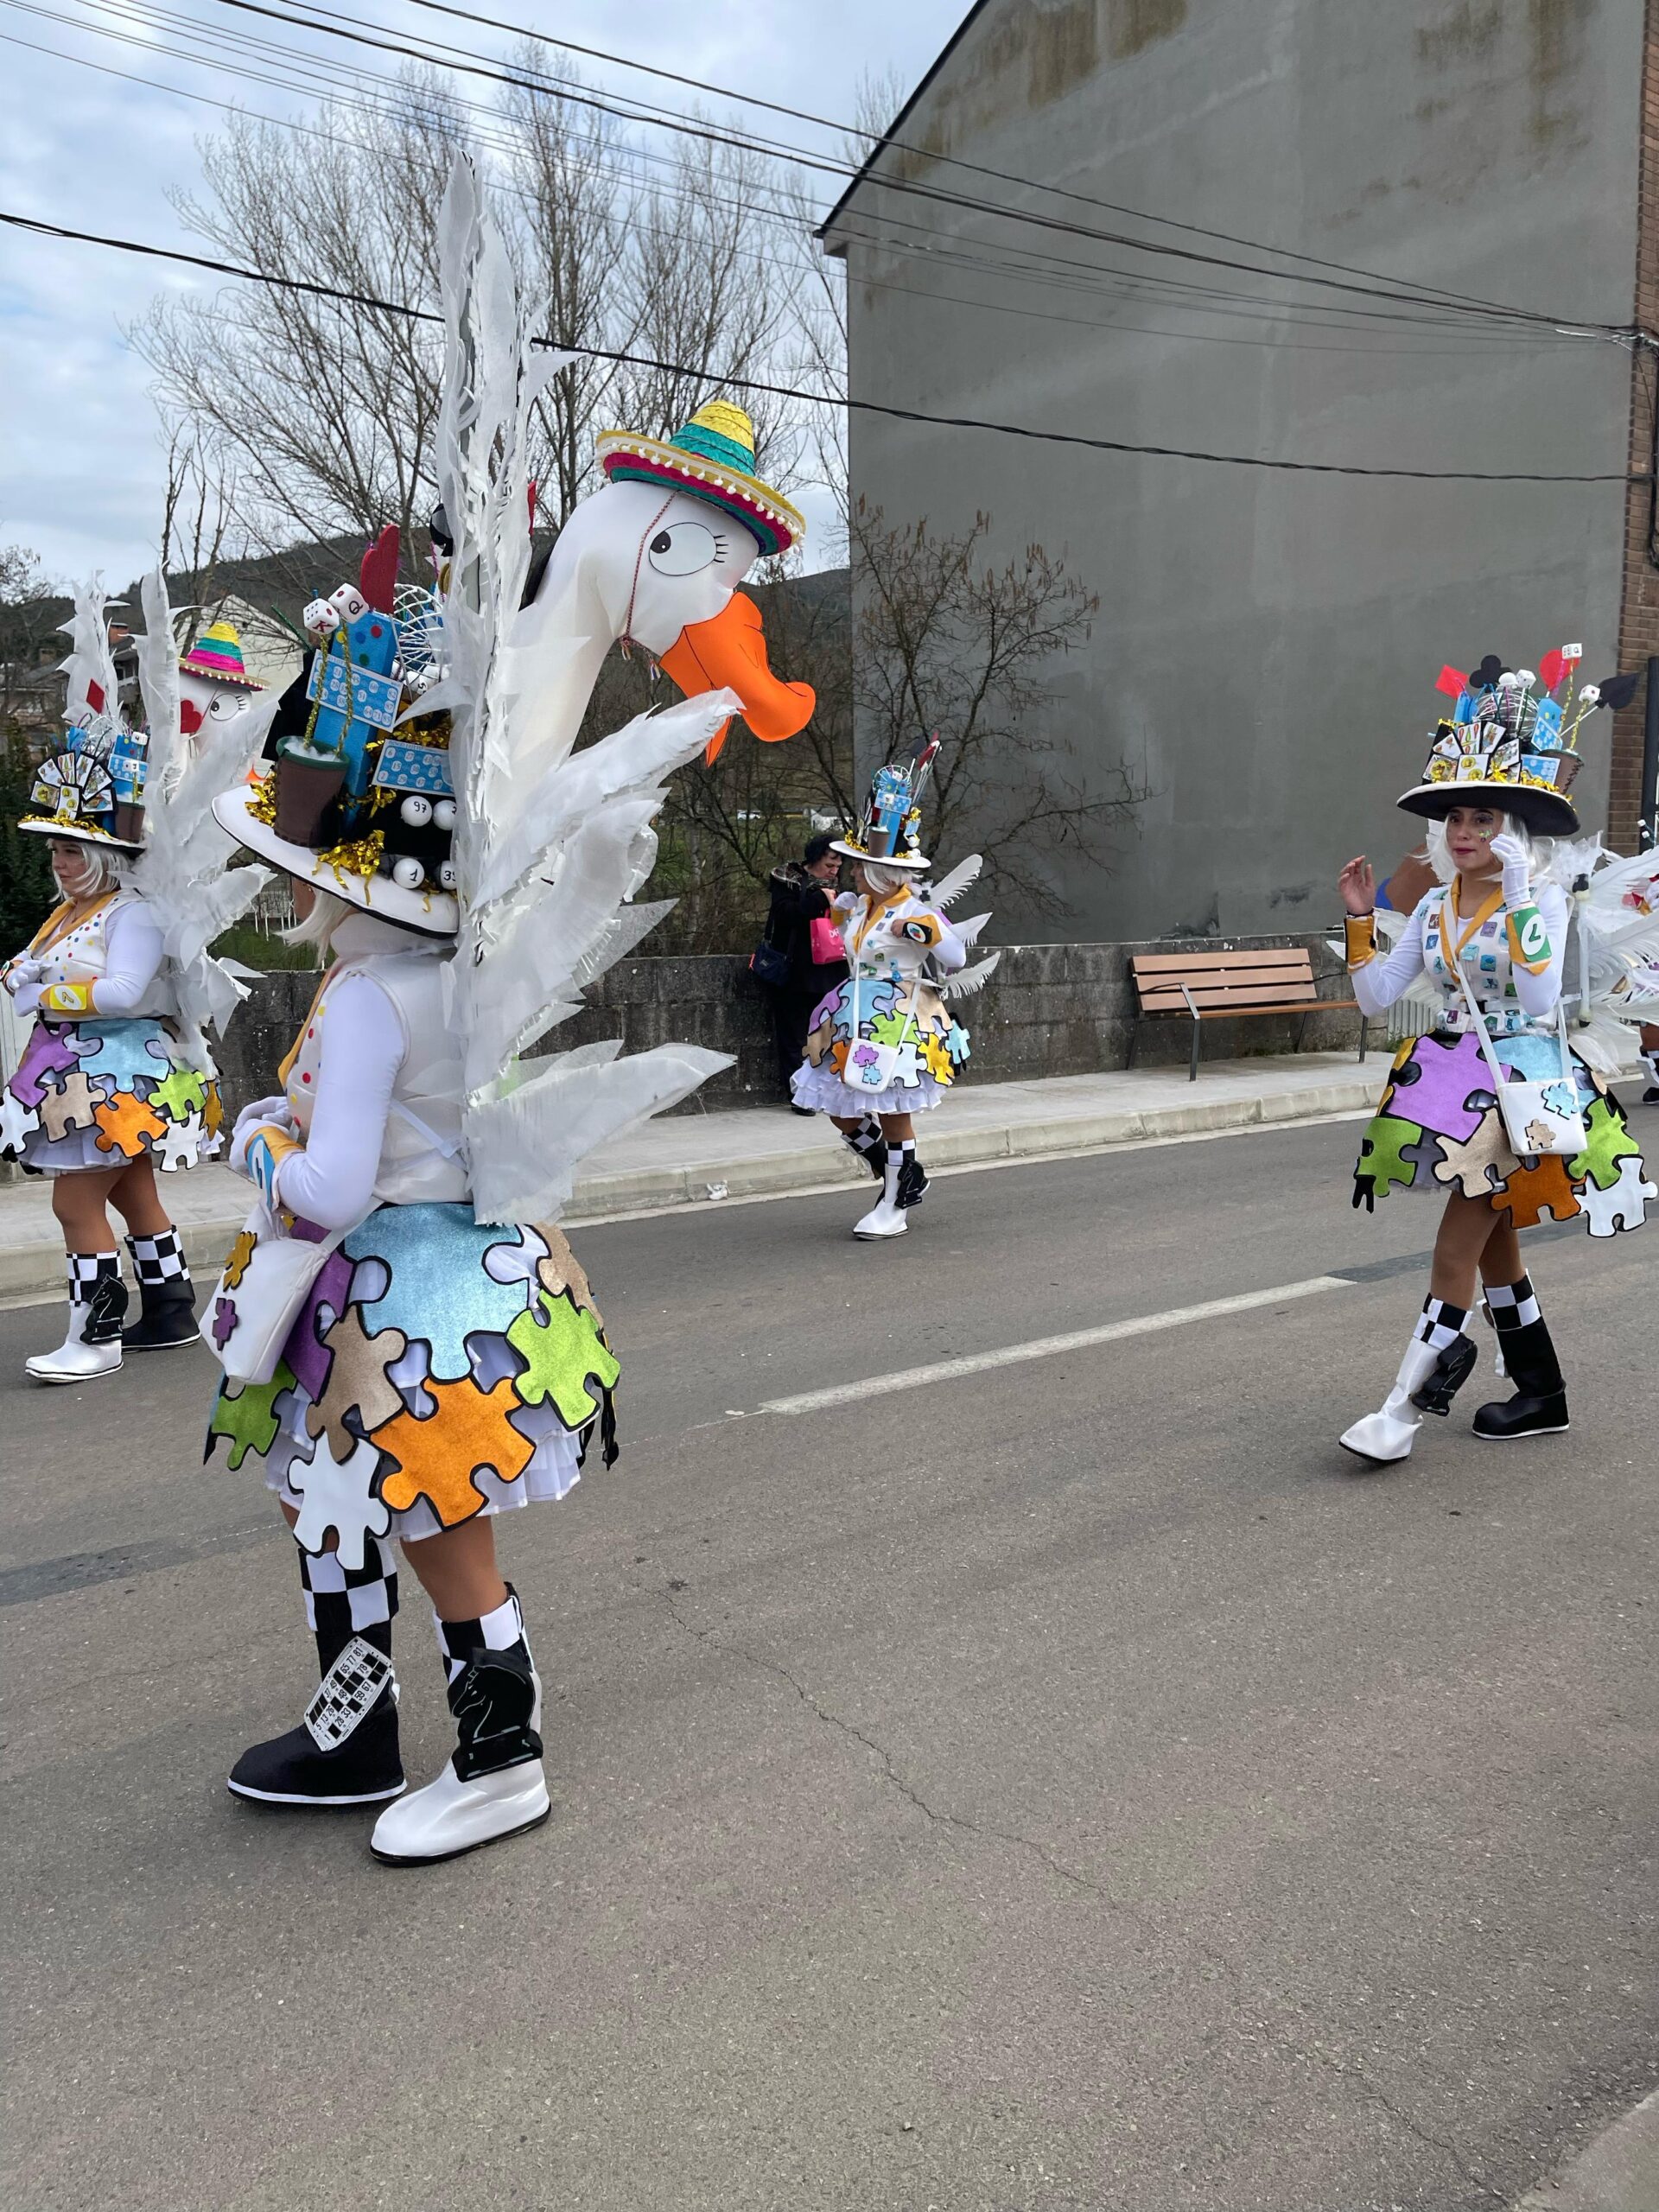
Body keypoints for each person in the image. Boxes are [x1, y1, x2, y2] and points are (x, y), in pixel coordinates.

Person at [201, 157, 808, 1865]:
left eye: (304, 866)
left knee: (430, 1515)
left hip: (401, 1271)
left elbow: (324, 1179)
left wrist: (257, 1135)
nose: (290, 888)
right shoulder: (390, 977)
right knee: (341, 1498)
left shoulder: (385, 998)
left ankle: (503, 1744)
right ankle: (351, 1725)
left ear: (363, 885)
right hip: (404, 1269)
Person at [1337, 648, 1651, 1465]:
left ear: (1512, 829)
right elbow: (1378, 997)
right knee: (1498, 1249)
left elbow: (1544, 1002)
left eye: (1484, 819)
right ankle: (1542, 1392)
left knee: (1455, 1247)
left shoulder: (1538, 895)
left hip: (1521, 1083)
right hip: (1454, 1078)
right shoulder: (1439, 901)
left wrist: (1516, 898)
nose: (1466, 833)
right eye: (1456, 819)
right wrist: (1362, 919)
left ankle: (1401, 1408)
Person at [0, 587, 262, 1381]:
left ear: (107, 854)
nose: (61, 862)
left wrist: (48, 988)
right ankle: (173, 1306)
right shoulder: (73, 913)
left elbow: (118, 993)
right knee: (132, 1196)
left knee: (75, 1204)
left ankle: (98, 1335)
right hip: (86, 1076)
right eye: (54, 852)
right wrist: (29, 972)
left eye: (73, 851)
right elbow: (33, 976)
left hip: (122, 1076)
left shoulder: (136, 912)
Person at [789, 743, 996, 1239]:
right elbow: (841, 932)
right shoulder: (860, 906)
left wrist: (921, 934)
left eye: (859, 867)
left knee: (893, 1108)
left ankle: (894, 1203)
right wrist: (842, 909)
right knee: (839, 1107)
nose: (852, 872)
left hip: (901, 1016)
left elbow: (955, 957)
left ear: (883, 872)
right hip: (851, 1012)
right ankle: (898, 1175)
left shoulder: (913, 911)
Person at [760, 832, 847, 1107]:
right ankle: (800, 1096)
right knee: (794, 1034)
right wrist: (818, 901)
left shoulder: (843, 884)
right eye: (828, 866)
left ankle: (825, 1090)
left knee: (828, 1034)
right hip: (795, 970)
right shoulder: (787, 878)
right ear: (814, 859)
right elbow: (784, 915)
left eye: (837, 867)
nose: (833, 872)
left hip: (832, 970)